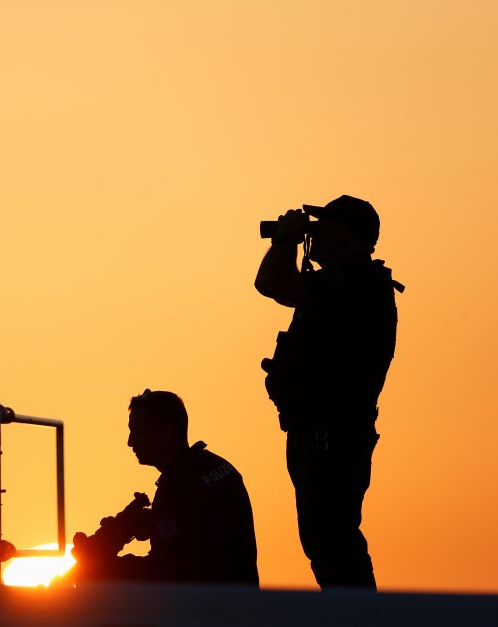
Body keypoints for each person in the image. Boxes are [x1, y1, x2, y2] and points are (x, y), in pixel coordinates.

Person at [254, 194, 403, 590]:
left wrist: (285, 242)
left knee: (333, 543)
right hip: (316, 435)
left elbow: (269, 283)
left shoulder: (353, 283)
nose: (314, 233)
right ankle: (354, 615)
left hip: (331, 440)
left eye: (325, 226)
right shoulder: (340, 284)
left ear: (351, 236)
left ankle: (360, 619)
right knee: (325, 543)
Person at [71, 390, 259, 586]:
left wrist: (101, 566)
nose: (130, 442)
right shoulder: (218, 467)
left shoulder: (177, 486)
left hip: (208, 610)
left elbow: (165, 571)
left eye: (137, 432)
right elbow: (196, 536)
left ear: (165, 435)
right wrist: (151, 523)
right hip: (240, 603)